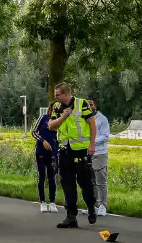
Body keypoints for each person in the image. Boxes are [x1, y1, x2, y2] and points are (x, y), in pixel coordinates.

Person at [48, 82, 98, 228]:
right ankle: (71, 216)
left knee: (85, 183)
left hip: (81, 150)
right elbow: (51, 125)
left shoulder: (81, 104)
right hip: (64, 150)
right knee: (67, 184)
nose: (55, 97)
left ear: (65, 94)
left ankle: (91, 208)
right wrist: (63, 117)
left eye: (57, 95)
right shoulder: (57, 107)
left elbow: (92, 124)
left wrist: (92, 145)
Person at [30, 104, 60, 213]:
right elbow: (33, 132)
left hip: (53, 152)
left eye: (56, 110)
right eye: (53, 109)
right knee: (41, 176)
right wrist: (42, 141)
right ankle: (42, 202)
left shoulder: (60, 120)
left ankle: (52, 202)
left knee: (52, 177)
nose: (54, 111)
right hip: (41, 151)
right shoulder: (43, 118)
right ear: (50, 109)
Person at [87, 94, 110, 217]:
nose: (89, 107)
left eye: (90, 104)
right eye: (87, 105)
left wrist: (91, 141)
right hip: (88, 153)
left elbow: (106, 136)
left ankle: (103, 205)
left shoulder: (102, 119)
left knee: (101, 181)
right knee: (91, 181)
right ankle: (94, 205)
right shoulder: (84, 118)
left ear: (96, 105)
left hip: (100, 153)